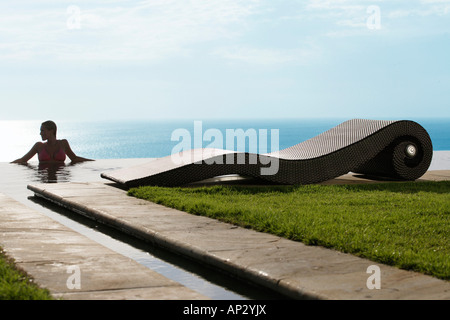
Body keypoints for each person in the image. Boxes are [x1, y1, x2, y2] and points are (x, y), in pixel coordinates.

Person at [11, 120, 94, 164]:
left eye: (43, 130)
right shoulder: (38, 146)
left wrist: (93, 162)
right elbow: (23, 160)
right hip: (42, 178)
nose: (40, 133)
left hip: (59, 177)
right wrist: (10, 164)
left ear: (51, 131)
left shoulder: (63, 143)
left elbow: (74, 158)